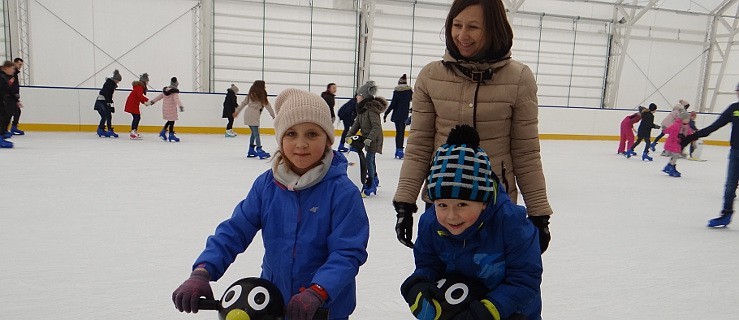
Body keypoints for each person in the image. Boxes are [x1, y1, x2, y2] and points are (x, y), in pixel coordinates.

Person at [171, 88, 369, 320]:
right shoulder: (267, 186)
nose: (301, 143)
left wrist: (318, 292)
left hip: (324, 309)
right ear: (280, 138)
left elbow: (347, 252)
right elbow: (235, 230)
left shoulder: (342, 192)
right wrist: (203, 270)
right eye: (291, 134)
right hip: (273, 303)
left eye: (312, 134)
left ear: (327, 140)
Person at [392, 0, 553, 253]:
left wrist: (539, 214)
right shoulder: (431, 76)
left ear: (494, 29)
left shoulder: (519, 78)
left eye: (473, 27)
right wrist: (405, 202)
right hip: (444, 203)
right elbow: (420, 145)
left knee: (493, 281)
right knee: (439, 282)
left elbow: (526, 152)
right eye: (457, 25)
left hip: (495, 204)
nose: (462, 35)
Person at [400, 125, 542, 320]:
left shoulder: (511, 223)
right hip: (460, 308)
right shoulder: (430, 224)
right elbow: (428, 264)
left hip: (511, 312)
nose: (451, 216)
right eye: (442, 205)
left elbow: (525, 280)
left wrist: (486, 312)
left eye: (462, 204)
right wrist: (419, 283)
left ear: (483, 202)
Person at [680, 83, 739, 228]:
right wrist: (690, 138)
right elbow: (714, 127)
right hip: (736, 152)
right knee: (730, 185)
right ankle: (726, 214)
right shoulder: (734, 109)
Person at [347, 80, 387, 197]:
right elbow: (356, 124)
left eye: (358, 95)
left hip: (374, 138)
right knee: (369, 159)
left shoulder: (371, 110)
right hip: (367, 138)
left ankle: (372, 183)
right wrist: (349, 135)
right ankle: (375, 178)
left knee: (369, 159)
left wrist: (369, 138)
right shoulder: (361, 109)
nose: (357, 97)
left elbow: (376, 127)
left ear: (363, 96)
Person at [234, 80, 275, 159]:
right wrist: (272, 114)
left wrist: (237, 111)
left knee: (253, 133)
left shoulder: (251, 94)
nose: (265, 87)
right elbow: (267, 105)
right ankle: (259, 149)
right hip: (254, 114)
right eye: (264, 85)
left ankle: (251, 150)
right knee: (256, 134)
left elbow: (243, 103)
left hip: (247, 113)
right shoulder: (261, 95)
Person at [384, 74, 413, 159]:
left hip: (397, 115)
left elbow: (393, 104)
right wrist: (412, 109)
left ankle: (398, 150)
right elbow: (415, 100)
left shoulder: (397, 92)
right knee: (401, 132)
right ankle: (400, 150)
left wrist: (386, 113)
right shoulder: (409, 91)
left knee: (398, 133)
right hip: (404, 115)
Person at [147, 77, 184, 142]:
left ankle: (163, 132)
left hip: (165, 109)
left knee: (170, 121)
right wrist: (180, 106)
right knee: (172, 121)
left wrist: (152, 102)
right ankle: (171, 135)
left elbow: (159, 97)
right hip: (172, 109)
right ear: (176, 84)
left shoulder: (165, 91)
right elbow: (176, 99)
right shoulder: (174, 92)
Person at [661, 112, 692, 177]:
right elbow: (668, 130)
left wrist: (693, 136)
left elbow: (689, 133)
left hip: (678, 144)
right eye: (687, 118)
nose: (688, 120)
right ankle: (671, 168)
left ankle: (668, 167)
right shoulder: (676, 125)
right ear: (683, 119)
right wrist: (664, 129)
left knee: (676, 156)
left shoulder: (686, 126)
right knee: (675, 155)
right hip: (672, 143)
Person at [93, 69, 122, 138]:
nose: (118, 82)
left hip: (101, 101)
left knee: (105, 116)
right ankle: (108, 130)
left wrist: (109, 103)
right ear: (115, 79)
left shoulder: (109, 83)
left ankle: (101, 129)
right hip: (102, 101)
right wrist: (109, 103)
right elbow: (107, 94)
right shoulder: (110, 84)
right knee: (107, 115)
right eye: (118, 80)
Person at [124, 73, 150, 140]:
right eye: (147, 81)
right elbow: (139, 96)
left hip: (133, 103)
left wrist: (145, 101)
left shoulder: (138, 87)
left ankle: (134, 131)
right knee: (137, 117)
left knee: (136, 117)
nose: (147, 83)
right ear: (144, 81)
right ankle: (133, 132)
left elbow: (138, 97)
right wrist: (146, 101)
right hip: (133, 104)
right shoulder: (140, 87)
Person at [0, 61, 16, 148]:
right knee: (2, 118)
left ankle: (1, 136)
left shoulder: (4, 77)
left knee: (4, 116)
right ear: (6, 68)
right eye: (12, 68)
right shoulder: (2, 77)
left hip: (2, 101)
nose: (13, 70)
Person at [9, 58, 24, 135]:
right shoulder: (12, 73)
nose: (20, 66)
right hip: (10, 96)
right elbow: (10, 85)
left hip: (13, 96)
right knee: (12, 112)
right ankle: (10, 128)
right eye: (19, 64)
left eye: (21, 64)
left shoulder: (15, 73)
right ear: (15, 63)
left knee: (17, 111)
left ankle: (13, 127)